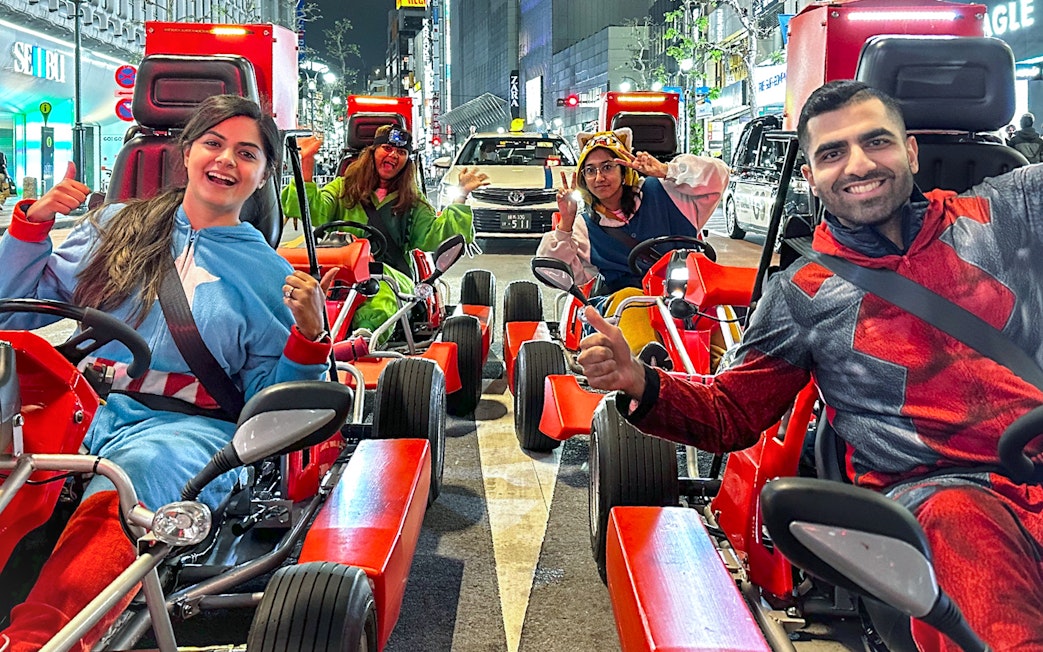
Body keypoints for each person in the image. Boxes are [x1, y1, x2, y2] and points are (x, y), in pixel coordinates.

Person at [578, 80, 1043, 650]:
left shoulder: (1006, 212)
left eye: (877, 142)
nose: (859, 164)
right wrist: (639, 381)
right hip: (946, 502)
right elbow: (730, 412)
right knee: (971, 548)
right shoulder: (803, 293)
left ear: (911, 151)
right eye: (833, 153)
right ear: (811, 176)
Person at [0, 94, 336, 651]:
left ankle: (41, 638)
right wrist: (31, 230)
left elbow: (270, 405)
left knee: (130, 481)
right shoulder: (115, 227)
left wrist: (308, 338)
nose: (226, 159)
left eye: (246, 153)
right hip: (80, 405)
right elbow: (12, 308)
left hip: (185, 429)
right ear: (186, 153)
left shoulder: (269, 275)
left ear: (263, 176)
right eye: (213, 143)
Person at [536, 127, 728, 354]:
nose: (599, 178)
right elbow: (555, 272)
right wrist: (565, 224)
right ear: (583, 179)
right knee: (631, 298)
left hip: (689, 295)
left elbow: (719, 175)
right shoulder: (585, 226)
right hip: (626, 306)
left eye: (607, 167)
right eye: (590, 170)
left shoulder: (667, 191)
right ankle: (646, 362)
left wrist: (667, 170)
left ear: (624, 170)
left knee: (719, 306)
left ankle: (731, 364)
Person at [282, 125, 488, 333]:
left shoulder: (411, 201)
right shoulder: (343, 188)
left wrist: (461, 194)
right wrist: (306, 162)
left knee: (380, 296)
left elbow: (436, 235)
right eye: (387, 148)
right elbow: (312, 210)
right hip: (341, 277)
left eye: (401, 152)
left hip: (390, 277)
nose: (394, 155)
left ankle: (364, 338)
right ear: (373, 152)